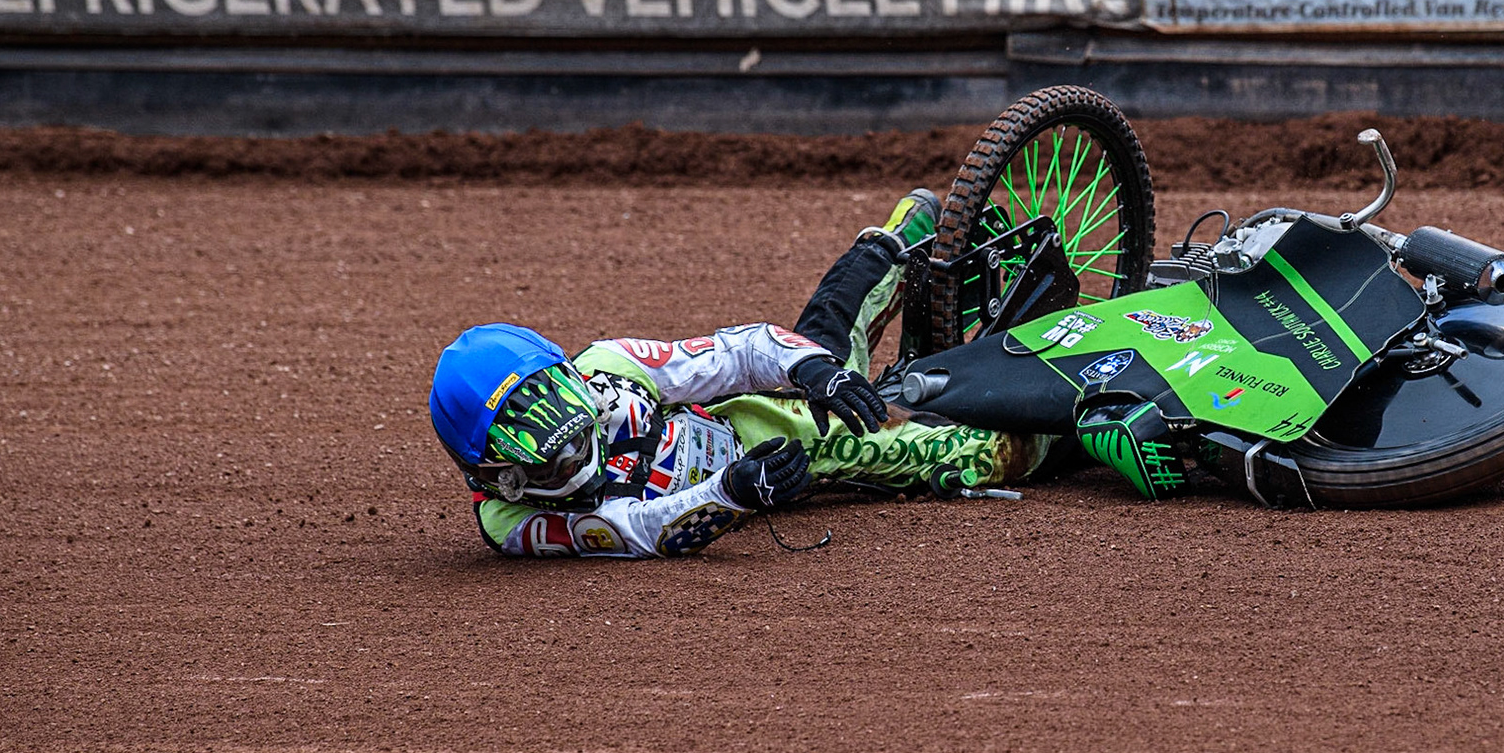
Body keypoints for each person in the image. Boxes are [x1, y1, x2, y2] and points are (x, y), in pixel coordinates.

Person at [428, 191, 1053, 559]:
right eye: (555, 463)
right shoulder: (507, 523)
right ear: (498, 475)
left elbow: (737, 353)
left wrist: (813, 371)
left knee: (828, 347)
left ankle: (889, 246)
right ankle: (1059, 425)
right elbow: (632, 530)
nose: (577, 461)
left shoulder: (608, 367)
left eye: (578, 434)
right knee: (968, 454)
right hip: (753, 471)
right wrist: (731, 492)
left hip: (752, 417)